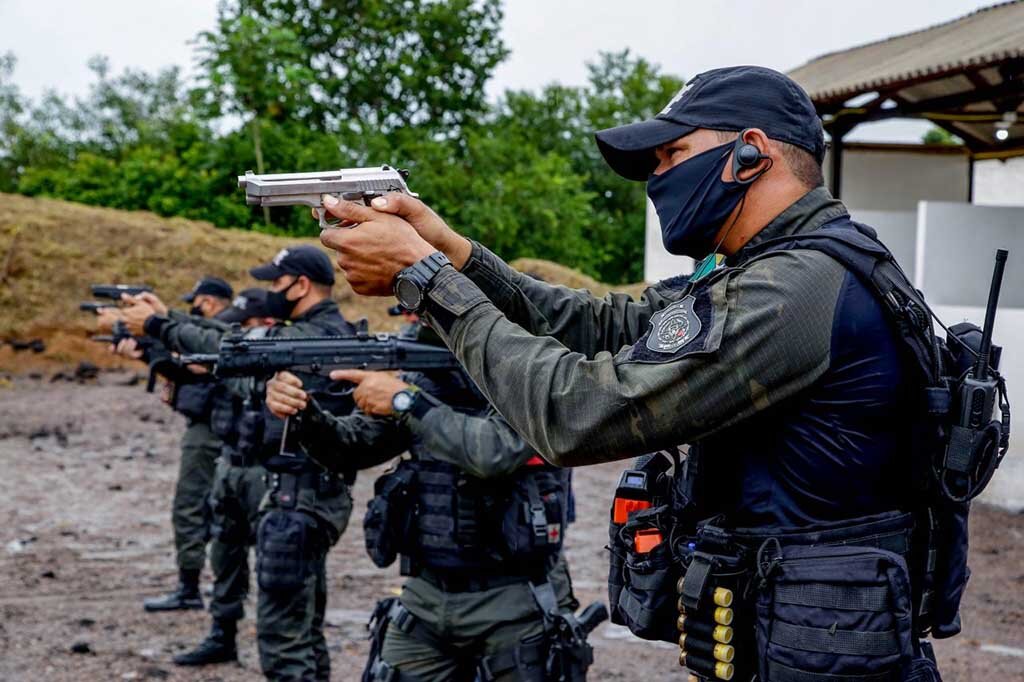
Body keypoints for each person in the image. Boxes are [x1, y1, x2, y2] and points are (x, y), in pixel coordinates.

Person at [315, 66, 947, 680]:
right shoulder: (766, 269)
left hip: (823, 656)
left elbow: (578, 415)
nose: (657, 177)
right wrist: (455, 254)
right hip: (793, 644)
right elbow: (607, 325)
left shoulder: (794, 289)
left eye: (672, 153)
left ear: (750, 153)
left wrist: (426, 281)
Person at [121, 246, 362, 681]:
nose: (272, 291)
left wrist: (159, 325)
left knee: (285, 638)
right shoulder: (313, 332)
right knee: (302, 627)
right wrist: (169, 321)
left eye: (277, 282)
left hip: (301, 496)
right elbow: (230, 341)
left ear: (300, 285)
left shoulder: (308, 338)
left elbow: (227, 345)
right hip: (299, 491)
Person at [264, 356, 586, 681]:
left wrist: (406, 402)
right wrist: (303, 412)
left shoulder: (534, 371)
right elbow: (352, 447)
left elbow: (493, 452)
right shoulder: (428, 379)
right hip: (428, 596)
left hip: (518, 599)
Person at [172, 288, 277, 667]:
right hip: (234, 463)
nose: (239, 333)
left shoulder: (278, 355)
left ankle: (277, 649)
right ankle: (223, 634)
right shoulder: (240, 350)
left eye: (244, 325)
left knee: (276, 565)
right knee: (226, 553)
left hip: (268, 470)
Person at [131, 276, 235, 612]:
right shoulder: (223, 331)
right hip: (212, 426)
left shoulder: (221, 332)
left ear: (210, 301)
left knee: (191, 505)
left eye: (199, 301)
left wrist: (154, 343)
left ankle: (190, 587)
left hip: (209, 430)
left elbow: (193, 368)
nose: (196, 307)